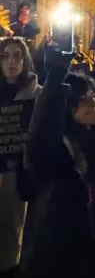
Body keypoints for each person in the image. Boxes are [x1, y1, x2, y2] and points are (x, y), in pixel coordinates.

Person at [20, 42, 95, 278]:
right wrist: (55, 80)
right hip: (70, 245)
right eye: (82, 99)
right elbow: (42, 135)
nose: (92, 104)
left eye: (93, 97)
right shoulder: (61, 147)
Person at [0, 38, 41, 278]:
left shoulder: (37, 95)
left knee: (12, 237)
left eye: (17, 56)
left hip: (18, 177)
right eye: (5, 56)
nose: (11, 62)